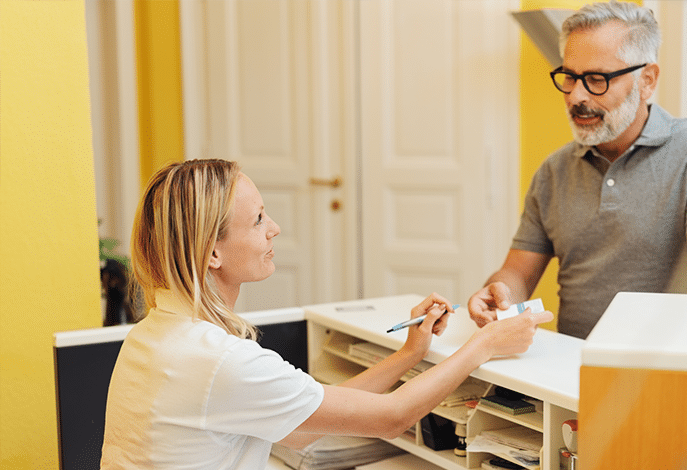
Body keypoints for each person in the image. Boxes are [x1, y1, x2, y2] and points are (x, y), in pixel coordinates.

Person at [100, 159, 551, 469]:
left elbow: (299, 429)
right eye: (258, 219)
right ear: (212, 252)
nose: (274, 228)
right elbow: (392, 417)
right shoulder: (221, 362)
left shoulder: (153, 336)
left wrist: (411, 353)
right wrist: (483, 345)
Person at [468, 1, 687, 339]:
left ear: (647, 80)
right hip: (571, 367)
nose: (575, 96)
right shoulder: (554, 171)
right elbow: (518, 275)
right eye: (569, 77)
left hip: (661, 369)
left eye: (596, 79)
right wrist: (498, 295)